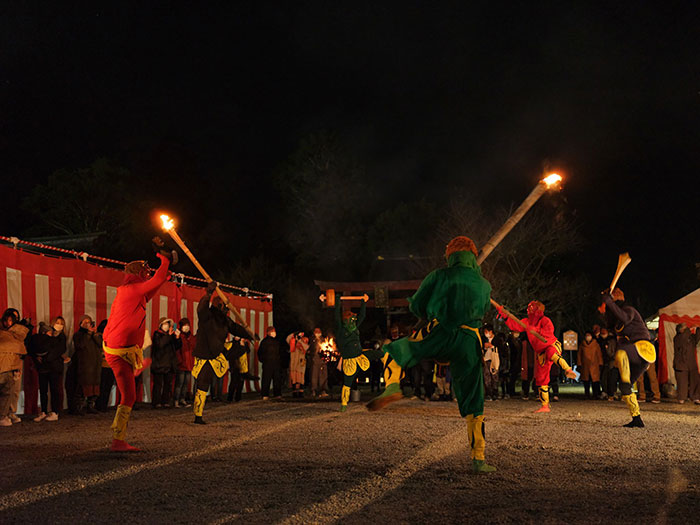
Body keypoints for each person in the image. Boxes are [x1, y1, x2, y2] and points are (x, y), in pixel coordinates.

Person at [368, 236, 497, 473]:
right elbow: (485, 308)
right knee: (473, 397)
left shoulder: (440, 276)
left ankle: (393, 386)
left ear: (450, 255)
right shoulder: (484, 284)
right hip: (470, 341)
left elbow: (417, 305)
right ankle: (478, 458)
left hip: (442, 332)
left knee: (397, 349)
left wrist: (430, 309)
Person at [102, 239, 174, 451]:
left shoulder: (133, 292)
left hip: (118, 348)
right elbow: (155, 281)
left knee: (129, 395)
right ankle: (118, 440)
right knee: (129, 395)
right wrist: (163, 260)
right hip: (119, 348)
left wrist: (165, 273)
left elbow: (153, 287)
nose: (148, 273)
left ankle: (118, 440)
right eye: (146, 271)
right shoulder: (130, 290)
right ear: (139, 273)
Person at [498, 301, 576, 413]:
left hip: (550, 345)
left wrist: (536, 330)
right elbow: (515, 325)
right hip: (540, 352)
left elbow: (549, 331)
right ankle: (545, 405)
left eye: (530, 308)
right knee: (541, 378)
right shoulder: (527, 322)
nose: (528, 310)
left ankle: (567, 369)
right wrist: (505, 315)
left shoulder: (545, 320)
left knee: (551, 353)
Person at [191, 282, 252, 424]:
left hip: (217, 353)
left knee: (237, 348)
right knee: (202, 385)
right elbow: (201, 309)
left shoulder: (224, 320)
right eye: (225, 307)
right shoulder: (207, 315)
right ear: (220, 306)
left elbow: (235, 328)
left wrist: (249, 334)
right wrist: (208, 293)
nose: (227, 310)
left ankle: (243, 371)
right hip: (205, 355)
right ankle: (198, 415)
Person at [601, 288, 656, 427]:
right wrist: (607, 307)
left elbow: (624, 317)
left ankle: (626, 383)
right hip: (636, 354)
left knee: (620, 353)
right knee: (625, 387)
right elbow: (610, 324)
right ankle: (636, 418)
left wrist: (609, 301)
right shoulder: (618, 321)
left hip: (642, 348)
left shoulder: (629, 310)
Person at [334, 297, 370, 412]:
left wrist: (363, 302)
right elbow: (336, 316)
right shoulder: (341, 329)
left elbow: (363, 316)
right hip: (349, 360)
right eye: (350, 316)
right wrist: (337, 302)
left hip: (360, 357)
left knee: (378, 354)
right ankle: (344, 403)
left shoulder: (355, 327)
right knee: (347, 383)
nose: (353, 318)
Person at [29, 322, 66, 421]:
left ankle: (45, 411)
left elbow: (30, 350)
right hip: (52, 367)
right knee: (53, 390)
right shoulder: (54, 341)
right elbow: (61, 348)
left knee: (44, 391)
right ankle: (53, 412)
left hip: (43, 368)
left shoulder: (34, 340)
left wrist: (38, 357)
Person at [0, 309, 31, 426]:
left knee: (12, 392)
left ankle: (9, 413)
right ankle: (4, 415)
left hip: (14, 365)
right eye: (7, 320)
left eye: (13, 319)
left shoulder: (20, 334)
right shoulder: (3, 333)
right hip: (4, 366)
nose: (9, 322)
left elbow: (22, 349)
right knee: (6, 392)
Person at [72, 315, 103, 414]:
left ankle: (91, 405)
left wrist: (93, 334)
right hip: (85, 365)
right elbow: (81, 345)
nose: (87, 324)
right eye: (85, 322)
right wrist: (88, 334)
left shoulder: (96, 335)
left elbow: (101, 344)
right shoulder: (78, 335)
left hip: (96, 365)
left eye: (89, 322)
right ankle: (78, 407)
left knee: (95, 386)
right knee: (83, 386)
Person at [151, 318, 181, 408]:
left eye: (168, 324)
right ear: (161, 325)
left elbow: (177, 346)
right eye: (165, 324)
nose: (167, 326)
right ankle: (156, 402)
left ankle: (165, 401)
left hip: (169, 364)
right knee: (158, 384)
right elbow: (160, 344)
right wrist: (169, 335)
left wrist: (177, 337)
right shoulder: (157, 334)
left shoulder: (170, 336)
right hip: (159, 364)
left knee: (168, 384)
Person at [673, 324, 699, 405]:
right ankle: (681, 397)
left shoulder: (690, 338)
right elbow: (684, 337)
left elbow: (697, 338)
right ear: (680, 330)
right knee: (682, 382)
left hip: (691, 363)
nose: (688, 329)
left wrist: (698, 329)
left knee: (695, 380)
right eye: (685, 328)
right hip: (681, 363)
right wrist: (690, 329)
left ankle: (696, 397)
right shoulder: (678, 338)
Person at [174, 317, 195, 407]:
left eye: (188, 325)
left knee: (186, 384)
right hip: (181, 363)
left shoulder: (191, 337)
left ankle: (182, 399)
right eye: (185, 325)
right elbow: (177, 348)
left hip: (189, 363)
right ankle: (176, 400)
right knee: (179, 383)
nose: (186, 327)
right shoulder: (178, 336)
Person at [577, 331, 603, 399]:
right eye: (586, 336)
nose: (588, 337)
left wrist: (600, 363)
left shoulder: (596, 345)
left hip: (594, 365)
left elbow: (599, 354)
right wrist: (579, 364)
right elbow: (579, 355)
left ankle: (595, 394)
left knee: (595, 381)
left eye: (589, 335)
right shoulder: (582, 345)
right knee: (586, 381)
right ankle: (587, 394)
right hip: (585, 365)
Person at [259, 326, 283, 399]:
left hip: (276, 363)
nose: (274, 332)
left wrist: (279, 360)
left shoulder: (276, 341)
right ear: (269, 332)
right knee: (266, 379)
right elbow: (260, 353)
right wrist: (264, 360)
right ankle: (265, 394)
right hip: (267, 363)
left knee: (277, 379)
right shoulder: (264, 342)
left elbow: (280, 352)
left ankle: (277, 394)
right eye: (273, 331)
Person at [95, 320, 114, 412]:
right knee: (101, 387)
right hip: (101, 365)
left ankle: (104, 405)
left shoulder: (112, 337)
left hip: (110, 365)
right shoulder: (98, 336)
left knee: (107, 386)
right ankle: (99, 405)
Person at [309, 328, 330, 398]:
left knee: (323, 375)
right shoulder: (312, 339)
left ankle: (323, 389)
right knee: (314, 375)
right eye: (316, 331)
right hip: (315, 359)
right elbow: (310, 348)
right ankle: (314, 390)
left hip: (323, 360)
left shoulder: (324, 339)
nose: (317, 333)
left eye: (319, 331)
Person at [287, 331, 309, 398]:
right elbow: (288, 339)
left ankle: (301, 391)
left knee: (300, 378)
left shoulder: (305, 345)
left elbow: (304, 347)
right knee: (294, 377)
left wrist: (299, 340)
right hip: (294, 363)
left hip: (300, 363)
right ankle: (294, 391)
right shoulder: (293, 343)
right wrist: (294, 334)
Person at [481, 324, 499, 401]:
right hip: (486, 360)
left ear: (491, 331)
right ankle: (488, 393)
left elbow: (501, 350)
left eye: (486, 331)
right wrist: (484, 347)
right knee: (486, 377)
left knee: (494, 377)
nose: (485, 333)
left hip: (494, 360)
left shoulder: (497, 339)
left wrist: (492, 346)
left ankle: (495, 393)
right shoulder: (483, 339)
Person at [506, 330, 522, 397]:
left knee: (514, 377)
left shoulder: (519, 341)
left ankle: (512, 391)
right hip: (511, 361)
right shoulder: (509, 341)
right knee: (510, 377)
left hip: (517, 361)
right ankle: (509, 391)